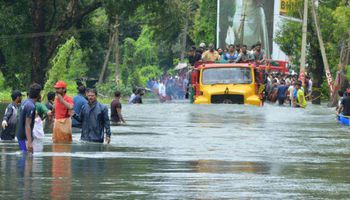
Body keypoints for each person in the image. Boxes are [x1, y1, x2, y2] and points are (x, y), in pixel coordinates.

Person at [16, 83, 42, 152]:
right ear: (38, 94)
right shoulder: (31, 106)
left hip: (20, 135)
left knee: (25, 157)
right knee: (27, 158)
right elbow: (27, 125)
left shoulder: (24, 102)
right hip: (25, 138)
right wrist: (30, 142)